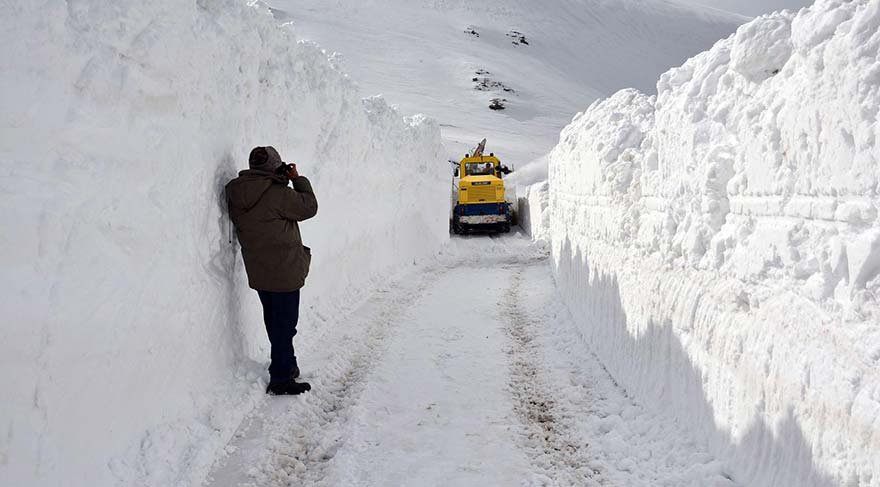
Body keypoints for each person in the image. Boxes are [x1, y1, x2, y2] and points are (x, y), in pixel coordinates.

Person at [226, 146, 318, 396]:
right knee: (285, 325)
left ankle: (287, 363)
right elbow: (309, 207)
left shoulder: (235, 191)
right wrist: (296, 178)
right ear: (274, 167)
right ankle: (280, 379)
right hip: (285, 269)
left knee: (275, 321)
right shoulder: (279, 194)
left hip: (259, 269)